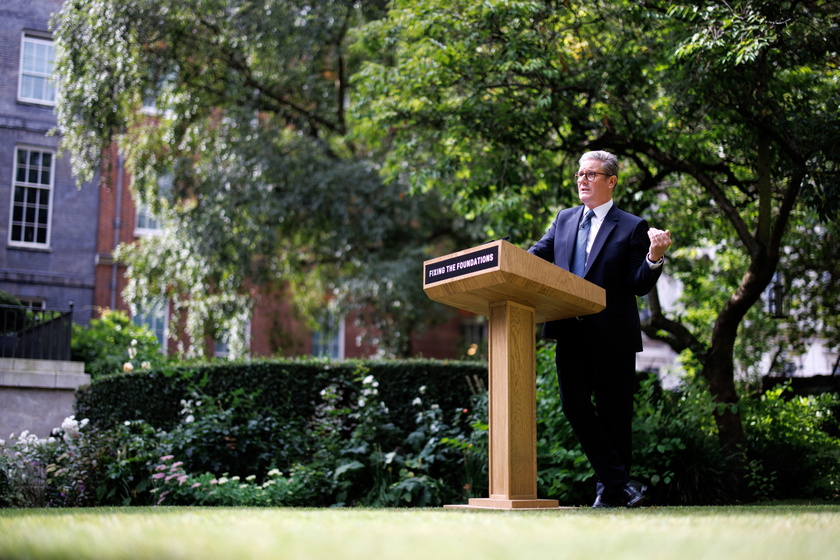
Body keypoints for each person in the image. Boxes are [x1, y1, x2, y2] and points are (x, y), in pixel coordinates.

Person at [528, 150, 672, 508]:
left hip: (613, 335)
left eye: (590, 174)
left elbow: (638, 284)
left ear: (611, 181)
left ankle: (609, 493)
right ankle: (621, 485)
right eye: (579, 174)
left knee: (615, 416)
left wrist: (654, 257)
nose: (582, 179)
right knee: (574, 405)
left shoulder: (632, 226)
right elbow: (533, 257)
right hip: (570, 332)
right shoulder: (563, 220)